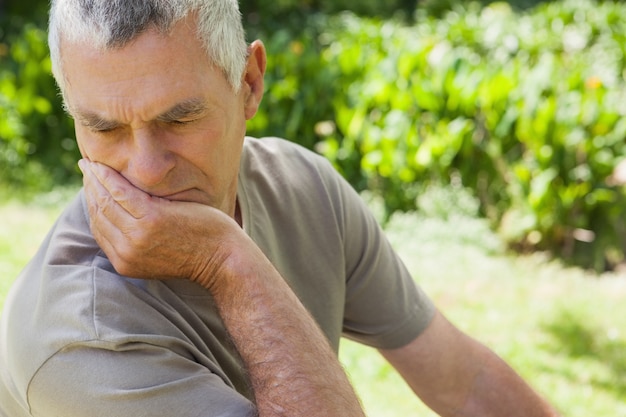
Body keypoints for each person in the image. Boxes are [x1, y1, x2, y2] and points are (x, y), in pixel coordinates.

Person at [0, 1, 561, 416]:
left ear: (248, 82)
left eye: (179, 119)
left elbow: (466, 382)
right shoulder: (77, 338)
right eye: (103, 128)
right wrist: (228, 261)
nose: (145, 169)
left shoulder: (302, 187)